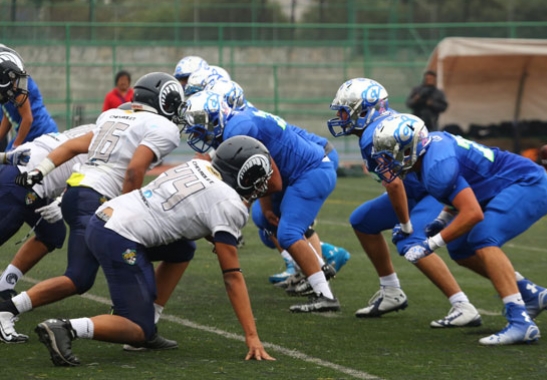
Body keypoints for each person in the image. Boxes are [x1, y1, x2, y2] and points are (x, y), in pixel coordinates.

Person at [33, 136, 277, 366]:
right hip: (118, 235)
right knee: (138, 328)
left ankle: (151, 321)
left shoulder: (197, 165)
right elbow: (232, 276)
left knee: (182, 249)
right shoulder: (229, 203)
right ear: (245, 177)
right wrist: (252, 336)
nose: (261, 186)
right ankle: (66, 328)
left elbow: (189, 210)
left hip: (107, 218)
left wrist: (214, 237)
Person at [0, 72, 186, 347]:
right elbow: (134, 169)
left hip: (78, 194)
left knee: (178, 249)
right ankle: (9, 308)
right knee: (79, 277)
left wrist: (41, 173)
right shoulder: (162, 127)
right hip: (97, 200)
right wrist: (130, 210)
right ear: (166, 102)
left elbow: (73, 146)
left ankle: (143, 321)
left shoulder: (112, 116)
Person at [371, 112, 547, 345]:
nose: (386, 160)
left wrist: (430, 244)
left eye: (391, 152)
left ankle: (520, 322)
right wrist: (443, 218)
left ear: (410, 148)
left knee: (482, 237)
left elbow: (472, 213)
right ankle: (530, 293)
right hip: (500, 187)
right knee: (460, 248)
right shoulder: (430, 153)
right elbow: (467, 184)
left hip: (528, 184)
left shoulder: (436, 166)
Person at [326, 78, 481, 327]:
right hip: (415, 188)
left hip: (431, 190)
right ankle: (391, 291)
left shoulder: (371, 137)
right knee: (362, 221)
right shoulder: (383, 122)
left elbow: (394, 184)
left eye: (345, 111)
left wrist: (405, 222)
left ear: (365, 111)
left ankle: (462, 305)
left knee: (410, 241)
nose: (341, 117)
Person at [181, 90, 340, 313]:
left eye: (199, 124)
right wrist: (262, 208)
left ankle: (325, 295)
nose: (196, 132)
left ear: (214, 117)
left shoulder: (238, 129)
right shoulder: (235, 123)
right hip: (297, 172)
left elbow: (271, 180)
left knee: (288, 233)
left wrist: (234, 218)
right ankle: (319, 267)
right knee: (267, 221)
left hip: (309, 172)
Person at [0, 125, 94, 302]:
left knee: (53, 233)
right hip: (23, 180)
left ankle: (5, 284)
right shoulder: (111, 141)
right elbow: (88, 177)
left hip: (28, 175)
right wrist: (61, 201)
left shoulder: (96, 128)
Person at [0, 46, 58, 150]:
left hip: (41, 132)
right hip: (27, 133)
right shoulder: (4, 86)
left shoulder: (16, 83)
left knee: (9, 164)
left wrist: (15, 147)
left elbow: (27, 119)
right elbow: (7, 117)